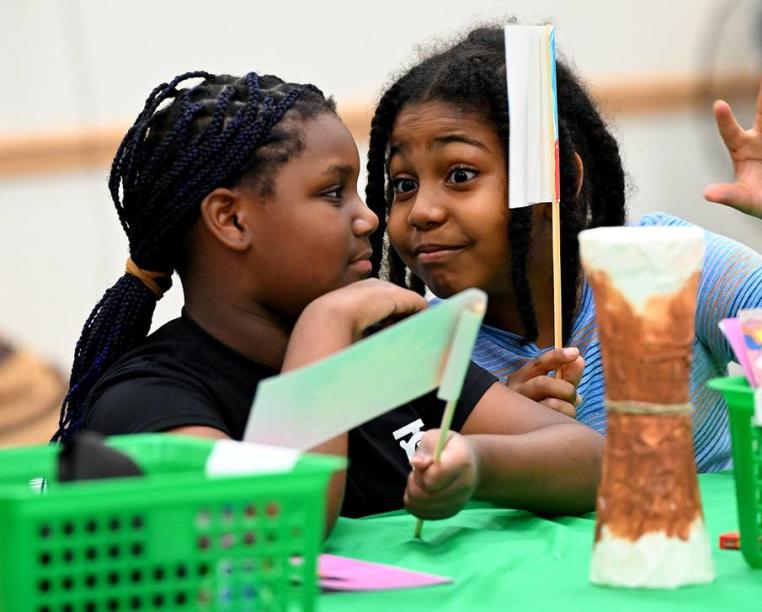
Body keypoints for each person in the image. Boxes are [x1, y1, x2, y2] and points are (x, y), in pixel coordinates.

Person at [55, 71, 602, 531]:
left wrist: (476, 461)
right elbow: (274, 529)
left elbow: (593, 459)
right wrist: (323, 324)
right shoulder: (146, 399)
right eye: (331, 194)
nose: (368, 219)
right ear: (232, 219)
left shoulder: (386, 349)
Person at [364, 26, 762, 471]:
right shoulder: (427, 352)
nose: (422, 211)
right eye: (403, 184)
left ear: (559, 180)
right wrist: (510, 447)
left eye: (459, 174)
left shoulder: (665, 263)